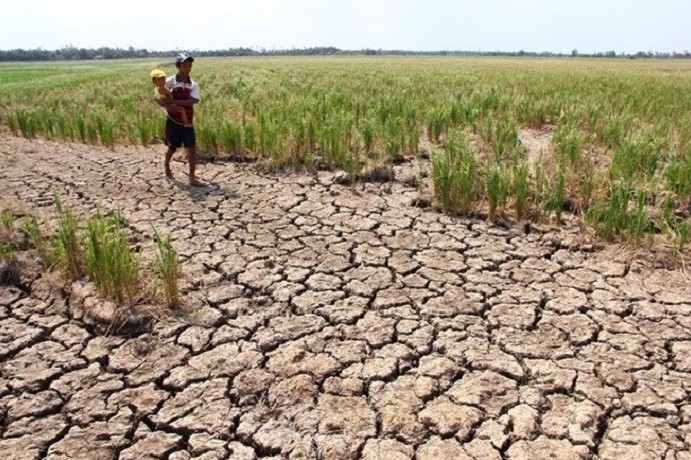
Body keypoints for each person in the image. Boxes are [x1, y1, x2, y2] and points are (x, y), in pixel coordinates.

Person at [154, 52, 203, 187]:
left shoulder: (194, 85)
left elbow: (191, 102)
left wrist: (172, 101)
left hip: (188, 122)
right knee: (172, 147)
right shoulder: (170, 81)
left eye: (189, 66)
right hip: (173, 121)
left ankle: (192, 177)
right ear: (178, 66)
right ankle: (166, 165)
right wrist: (165, 104)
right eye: (184, 66)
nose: (187, 68)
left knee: (191, 148)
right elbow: (157, 95)